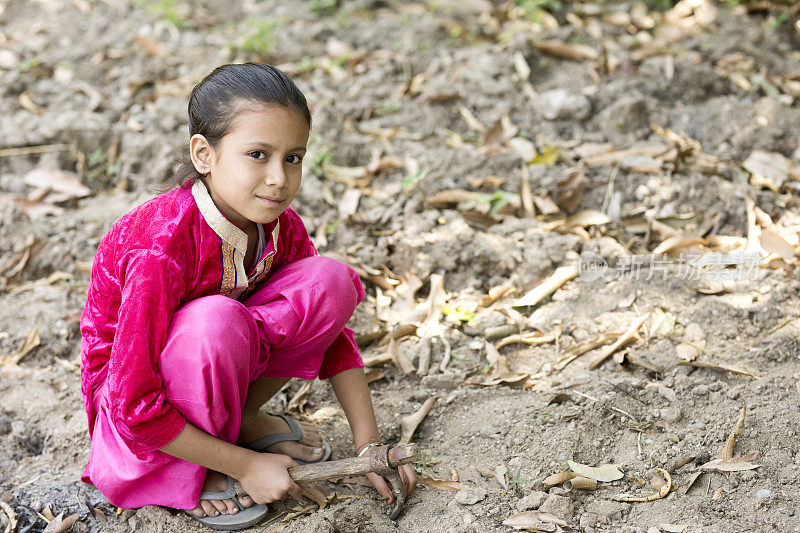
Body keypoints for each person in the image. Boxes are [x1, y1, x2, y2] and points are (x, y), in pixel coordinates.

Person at [79, 62, 416, 530]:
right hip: (132, 413)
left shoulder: (277, 225)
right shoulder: (161, 246)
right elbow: (131, 402)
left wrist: (368, 445)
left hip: (210, 370)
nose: (279, 178)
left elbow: (332, 333)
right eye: (257, 154)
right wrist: (244, 466)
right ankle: (202, 465)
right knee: (213, 321)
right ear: (204, 154)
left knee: (328, 282)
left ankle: (236, 422)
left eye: (293, 157)